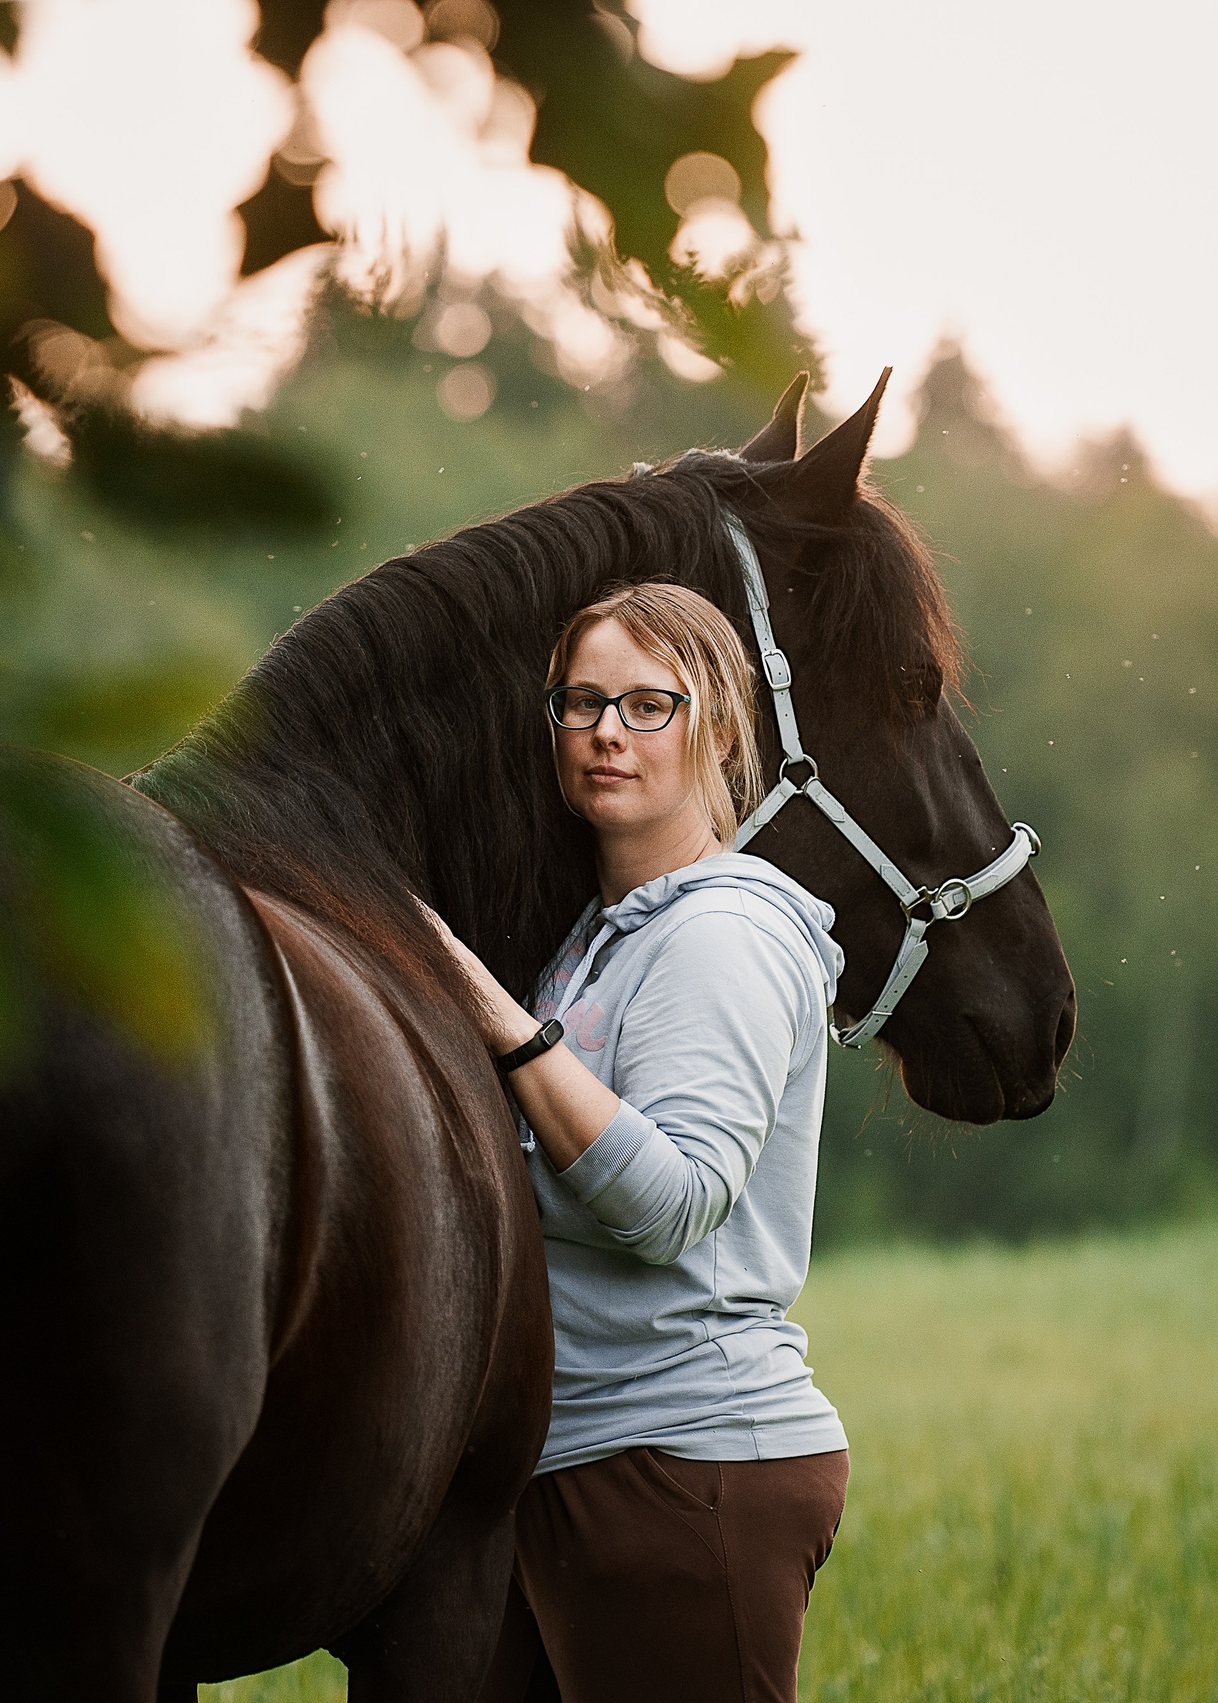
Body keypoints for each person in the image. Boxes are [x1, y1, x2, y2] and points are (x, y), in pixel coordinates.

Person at [423, 581, 850, 1703]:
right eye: (581, 702)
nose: (607, 730)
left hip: (685, 1458)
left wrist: (494, 1016)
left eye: (647, 704)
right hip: (575, 1459)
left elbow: (673, 1203)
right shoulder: (598, 941)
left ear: (717, 724)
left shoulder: (722, 931)